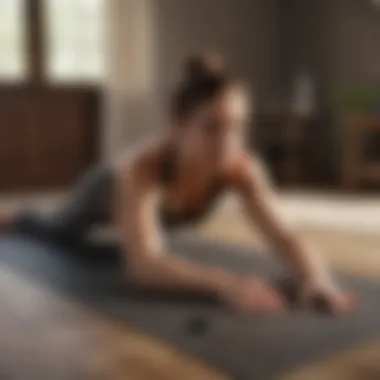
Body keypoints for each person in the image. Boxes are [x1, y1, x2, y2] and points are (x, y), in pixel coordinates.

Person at [1, 53, 355, 316]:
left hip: (149, 211)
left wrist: (316, 279)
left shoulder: (240, 167)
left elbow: (284, 235)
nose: (228, 142)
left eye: (238, 127)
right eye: (212, 127)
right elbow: (143, 266)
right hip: (102, 190)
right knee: (56, 232)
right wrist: (228, 284)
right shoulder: (143, 169)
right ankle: (12, 214)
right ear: (178, 126)